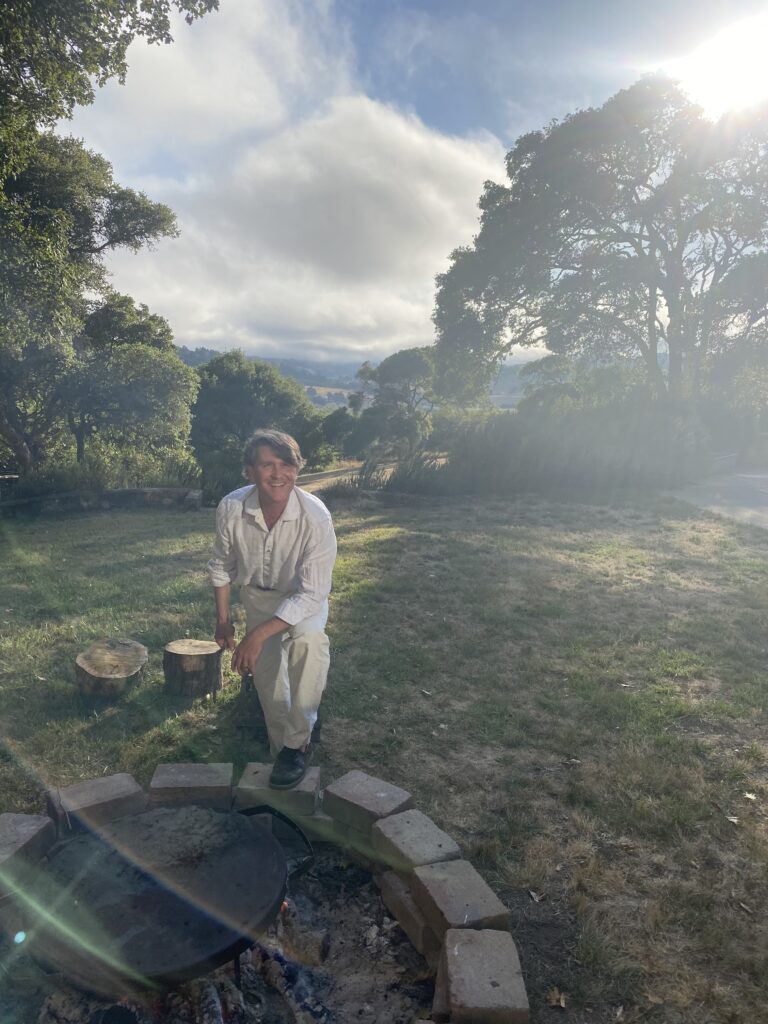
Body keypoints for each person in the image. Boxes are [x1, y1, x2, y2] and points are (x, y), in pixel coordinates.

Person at [207, 429, 336, 789]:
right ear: (250, 471)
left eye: (286, 464)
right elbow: (221, 566)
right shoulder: (231, 508)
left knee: (309, 642)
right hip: (258, 598)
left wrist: (257, 635)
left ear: (298, 469)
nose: (278, 474)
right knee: (268, 681)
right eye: (267, 465)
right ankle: (285, 748)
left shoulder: (316, 517)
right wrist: (223, 621)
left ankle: (297, 744)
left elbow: (313, 592)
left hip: (302, 598)